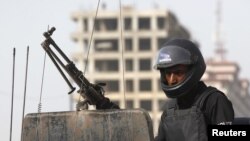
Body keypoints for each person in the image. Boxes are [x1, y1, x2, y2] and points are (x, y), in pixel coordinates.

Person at [153, 38, 234, 141]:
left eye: (178, 73)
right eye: (168, 74)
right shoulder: (170, 110)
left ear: (192, 71)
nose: (172, 80)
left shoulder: (214, 101)